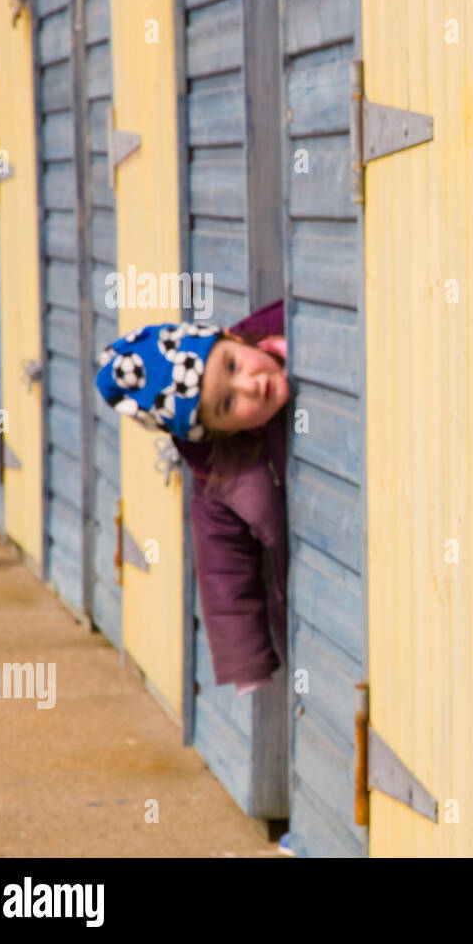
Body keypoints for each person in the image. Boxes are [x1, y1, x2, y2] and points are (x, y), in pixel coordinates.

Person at [93, 299, 289, 697]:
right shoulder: (223, 475)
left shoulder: (289, 323)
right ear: (221, 432)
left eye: (233, 365)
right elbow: (223, 570)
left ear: (231, 337)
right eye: (229, 404)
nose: (251, 384)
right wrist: (246, 660)